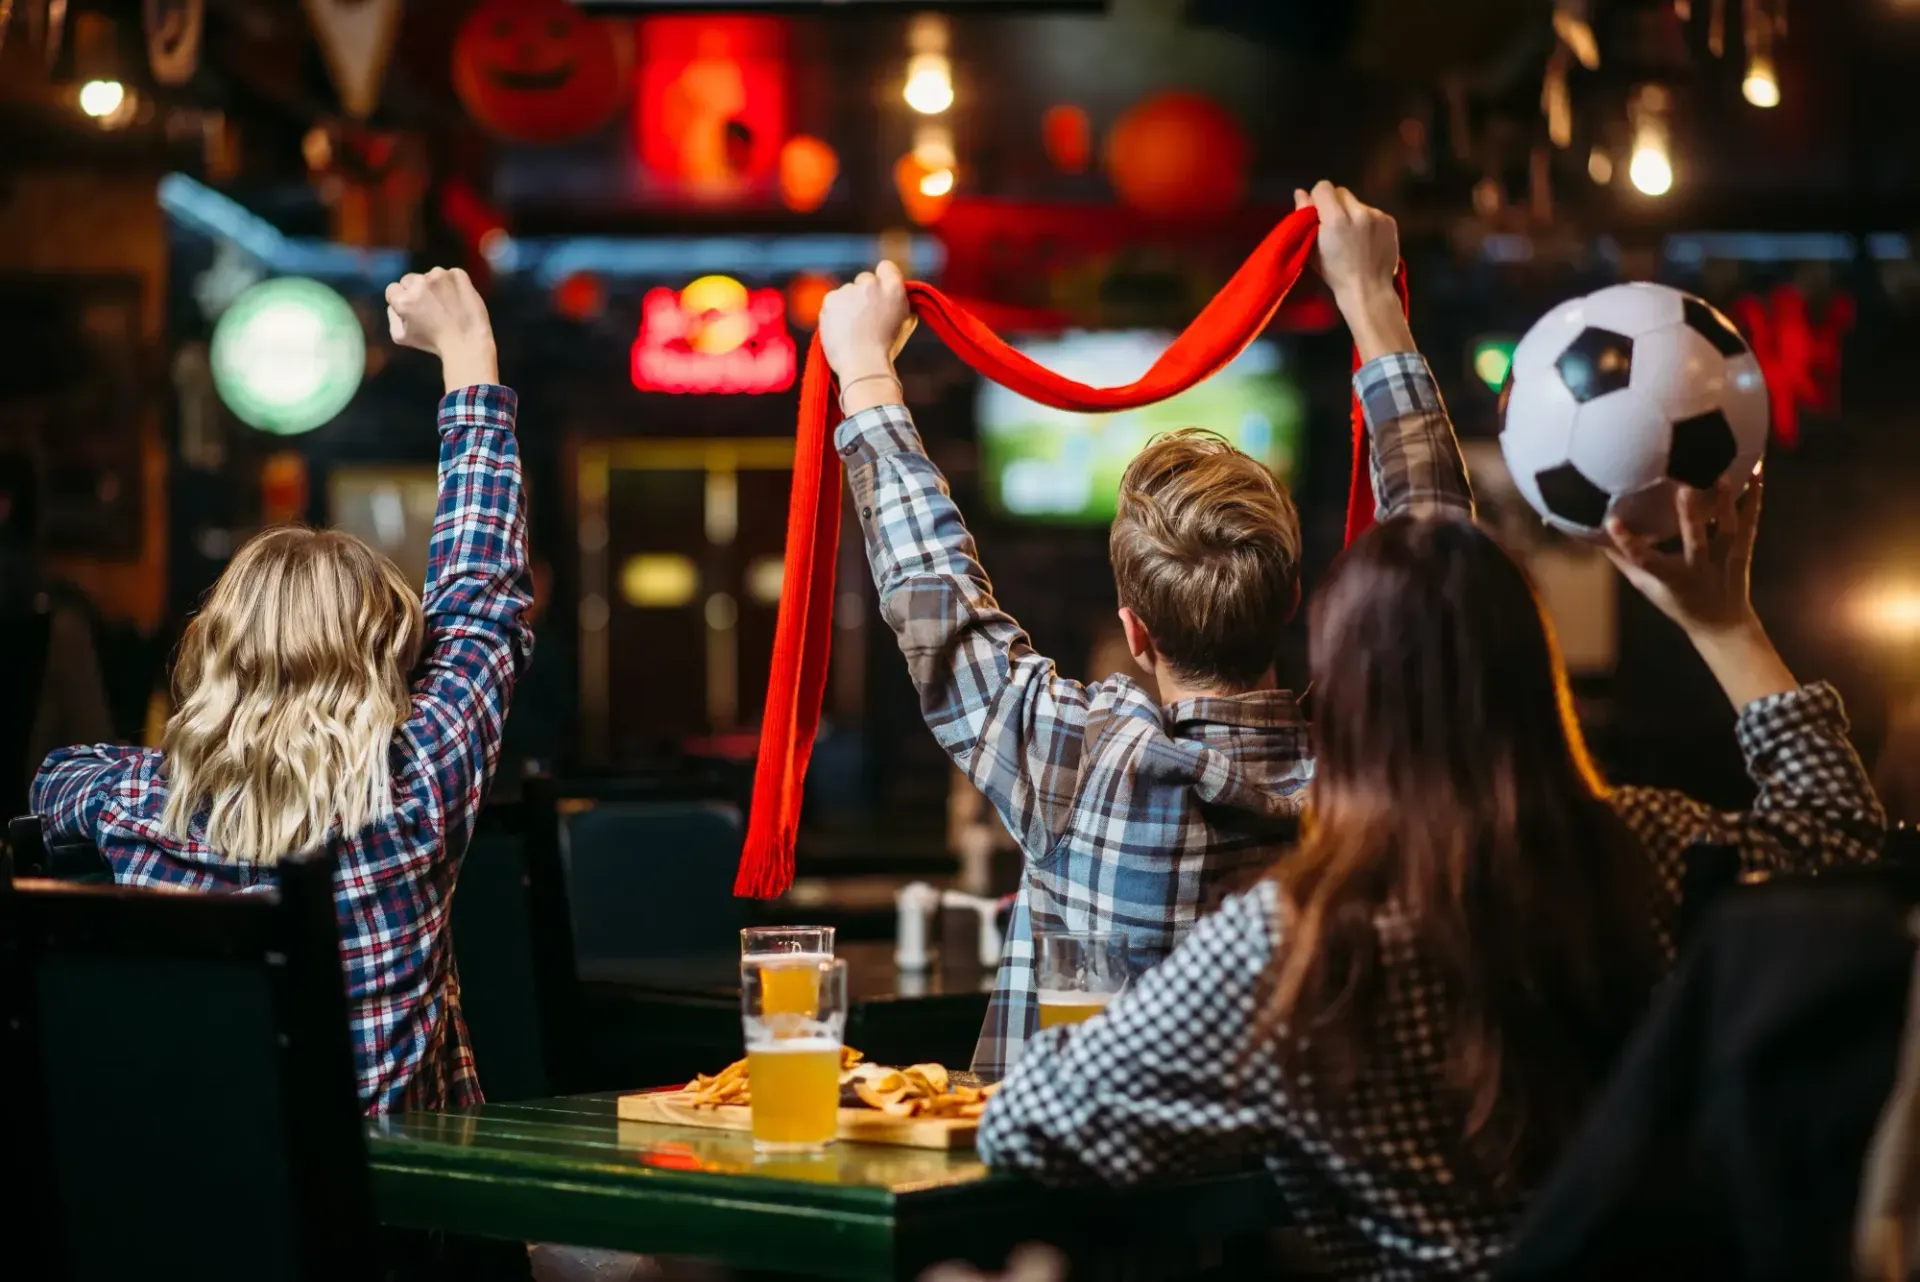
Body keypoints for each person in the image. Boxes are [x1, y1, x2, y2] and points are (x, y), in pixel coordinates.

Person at [975, 479, 1886, 1279]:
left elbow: (1026, 1121)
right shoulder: (1645, 844)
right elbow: (1843, 836)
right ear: (1536, 670)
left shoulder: (1295, 943)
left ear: (1343, 697)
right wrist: (1724, 620)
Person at [815, 182, 1473, 1078]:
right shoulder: (1378, 765)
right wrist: (1370, 301)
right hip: (1292, 1211)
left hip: (1072, 1212)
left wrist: (863, 371)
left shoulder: (1078, 764)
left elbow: (934, 595)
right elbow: (1442, 571)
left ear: (1136, 629)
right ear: (1289, 601)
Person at [31, 267, 533, 1115]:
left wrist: (171, 774)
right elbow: (482, 599)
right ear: (388, 657)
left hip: (194, 1224)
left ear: (216, 652)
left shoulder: (129, 803)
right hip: (399, 1238)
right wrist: (467, 353)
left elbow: (57, 780)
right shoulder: (416, 782)